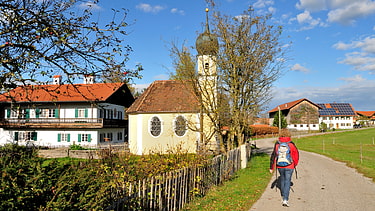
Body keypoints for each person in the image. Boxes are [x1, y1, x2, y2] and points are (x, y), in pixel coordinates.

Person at [269, 129, 299, 207]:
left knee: (282, 179)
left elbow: (273, 155)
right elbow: (296, 155)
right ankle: (285, 199)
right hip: (290, 165)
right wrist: (294, 164)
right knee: (287, 181)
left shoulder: (277, 144)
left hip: (280, 165)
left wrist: (271, 167)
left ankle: (283, 193)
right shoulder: (291, 144)